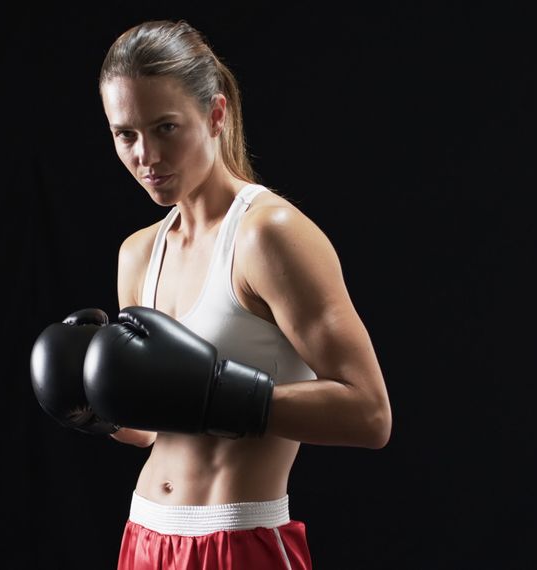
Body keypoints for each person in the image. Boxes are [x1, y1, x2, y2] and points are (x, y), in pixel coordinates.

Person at [31, 18, 391, 570]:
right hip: (145, 536)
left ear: (215, 115)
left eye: (166, 128)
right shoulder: (138, 253)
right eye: (125, 134)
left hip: (238, 541)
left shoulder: (268, 235)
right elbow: (156, 428)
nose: (145, 155)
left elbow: (370, 414)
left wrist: (223, 394)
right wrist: (95, 410)